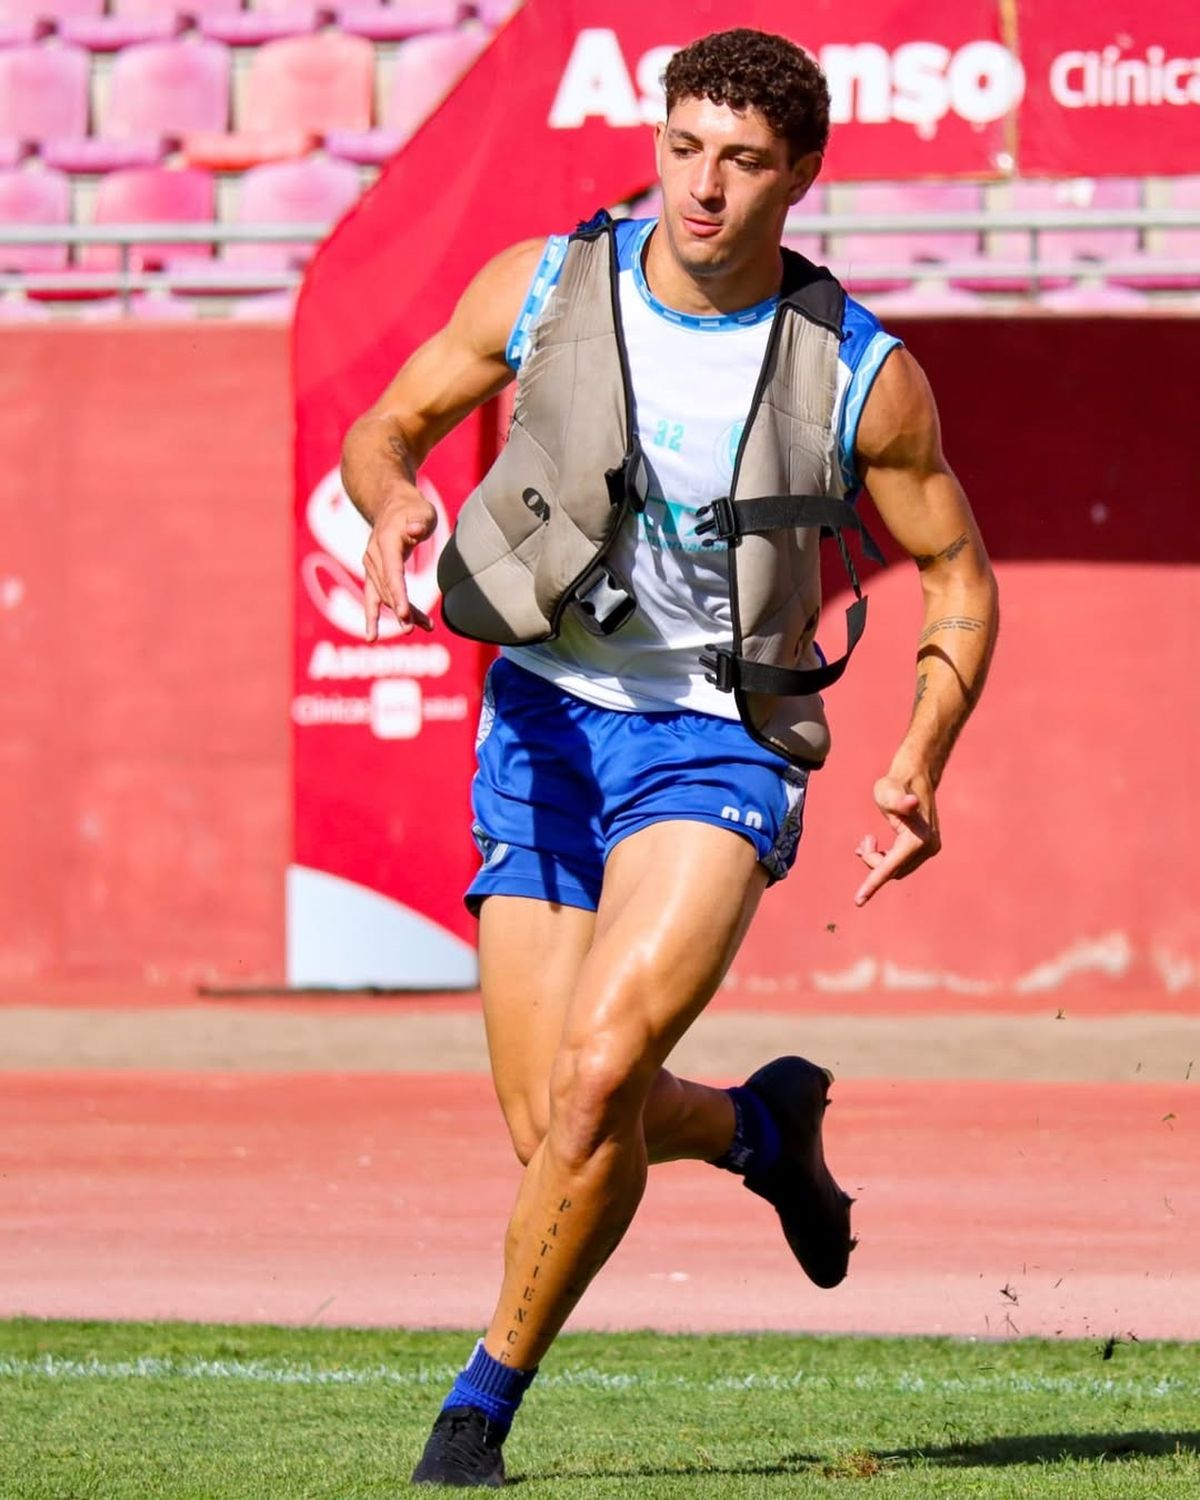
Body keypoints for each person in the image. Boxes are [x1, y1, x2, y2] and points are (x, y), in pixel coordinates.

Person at [341, 27, 999, 1489]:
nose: (704, 189)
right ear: (659, 142)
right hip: (542, 717)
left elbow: (958, 573)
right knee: (557, 1125)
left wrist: (920, 757)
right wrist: (390, 503)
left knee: (592, 1085)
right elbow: (387, 425)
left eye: (744, 162)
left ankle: (475, 1419)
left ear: (802, 176)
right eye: (685, 147)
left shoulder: (859, 375)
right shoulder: (544, 285)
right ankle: (764, 1128)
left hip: (717, 734)